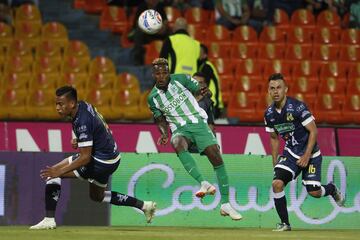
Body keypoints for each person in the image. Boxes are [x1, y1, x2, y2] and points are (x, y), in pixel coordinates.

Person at [30, 86, 156, 230]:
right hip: (112, 157)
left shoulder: (82, 121)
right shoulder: (83, 105)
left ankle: (49, 220)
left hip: (100, 161)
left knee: (53, 174)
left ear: (71, 104)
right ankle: (145, 206)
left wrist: (60, 172)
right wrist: (80, 139)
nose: (57, 108)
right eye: (56, 104)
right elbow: (96, 127)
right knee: (97, 196)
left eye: (61, 104)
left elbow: (85, 158)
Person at [147, 58, 242, 220]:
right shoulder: (153, 97)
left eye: (164, 72)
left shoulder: (181, 79)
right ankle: (203, 182)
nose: (162, 76)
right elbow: (160, 118)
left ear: (168, 72)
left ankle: (225, 204)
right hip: (179, 129)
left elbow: (198, 89)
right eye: (158, 73)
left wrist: (204, 91)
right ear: (153, 75)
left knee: (215, 156)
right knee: (176, 142)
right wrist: (164, 133)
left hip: (197, 122)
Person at [264, 73, 345, 231]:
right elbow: (274, 138)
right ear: (268, 91)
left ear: (286, 89)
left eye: (279, 88)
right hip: (290, 154)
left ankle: (332, 189)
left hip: (311, 155)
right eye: (272, 88)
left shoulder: (298, 107)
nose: (275, 91)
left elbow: (313, 132)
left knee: (314, 192)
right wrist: (274, 160)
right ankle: (285, 224)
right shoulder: (269, 114)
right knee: (277, 184)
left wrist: (307, 156)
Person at [197, 44, 224, 119]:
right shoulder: (203, 66)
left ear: (205, 55)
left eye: (199, 52)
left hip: (211, 102)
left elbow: (203, 87)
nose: (197, 53)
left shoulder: (206, 67)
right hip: (210, 102)